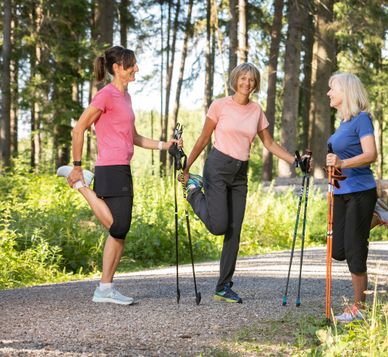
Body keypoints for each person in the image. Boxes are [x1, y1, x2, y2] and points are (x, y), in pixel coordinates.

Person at [57, 46, 182, 305]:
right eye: (131, 65)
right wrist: (77, 164)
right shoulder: (105, 96)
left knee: (119, 234)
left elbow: (134, 137)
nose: (136, 68)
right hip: (110, 167)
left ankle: (105, 288)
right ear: (117, 68)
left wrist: (164, 145)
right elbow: (79, 128)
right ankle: (80, 182)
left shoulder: (126, 98)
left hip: (121, 167)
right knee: (119, 226)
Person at [180, 62, 310, 304]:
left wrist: (295, 160)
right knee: (219, 225)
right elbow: (203, 138)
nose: (246, 83)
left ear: (255, 83)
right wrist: (187, 169)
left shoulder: (257, 110)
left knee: (234, 230)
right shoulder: (219, 106)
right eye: (243, 78)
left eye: (251, 80)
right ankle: (194, 192)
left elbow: (269, 144)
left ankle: (223, 286)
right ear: (235, 80)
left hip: (240, 174)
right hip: (217, 168)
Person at [325, 72, 388, 324]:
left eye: (332, 89)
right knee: (337, 250)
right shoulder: (343, 123)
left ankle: (359, 309)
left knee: (354, 249)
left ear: (346, 92)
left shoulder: (362, 120)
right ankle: (375, 217)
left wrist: (342, 162)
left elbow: (371, 154)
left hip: (360, 191)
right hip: (341, 192)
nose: (329, 93)